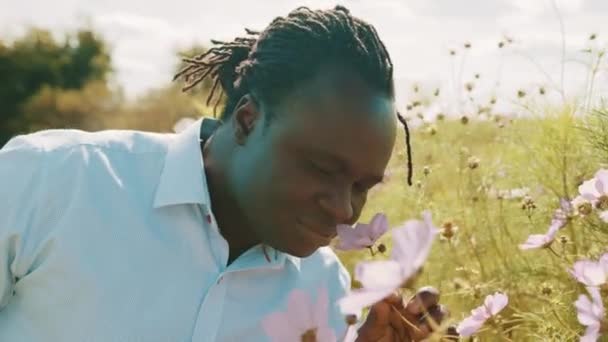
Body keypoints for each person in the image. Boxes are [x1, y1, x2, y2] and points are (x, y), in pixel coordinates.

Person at [0, 5, 450, 341]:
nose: (344, 209)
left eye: (361, 187)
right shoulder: (52, 180)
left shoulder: (325, 293)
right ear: (248, 120)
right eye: (321, 168)